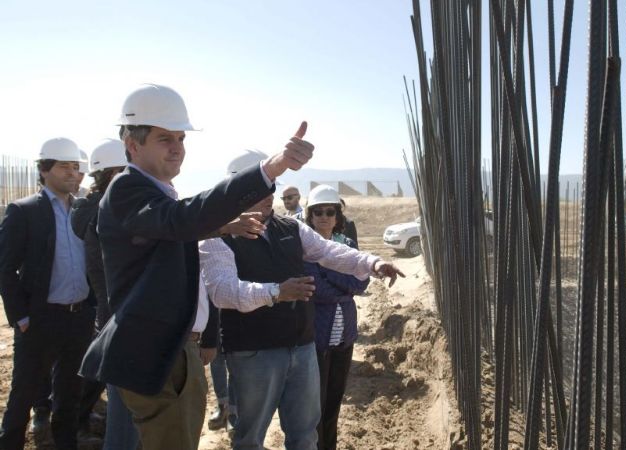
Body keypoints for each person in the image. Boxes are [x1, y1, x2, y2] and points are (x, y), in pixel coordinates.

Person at [78, 83, 314, 450]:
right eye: (164, 138)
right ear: (132, 143)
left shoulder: (153, 191)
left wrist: (222, 224)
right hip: (155, 350)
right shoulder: (127, 189)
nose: (177, 148)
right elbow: (178, 221)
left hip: (171, 349)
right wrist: (269, 169)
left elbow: (168, 230)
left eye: (180, 138)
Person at [199, 151, 404, 450]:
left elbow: (329, 252)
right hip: (253, 353)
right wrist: (276, 292)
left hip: (302, 347)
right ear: (236, 191)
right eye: (259, 190)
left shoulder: (290, 228)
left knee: (305, 435)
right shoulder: (217, 237)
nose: (269, 197)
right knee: (250, 438)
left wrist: (372, 263)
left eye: (271, 189)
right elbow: (224, 291)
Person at [0, 138, 96, 450]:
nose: (72, 173)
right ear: (44, 170)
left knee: (69, 396)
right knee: (24, 396)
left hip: (78, 318)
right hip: (40, 320)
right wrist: (22, 317)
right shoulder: (25, 211)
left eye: (75, 167)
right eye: (64, 166)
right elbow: (5, 268)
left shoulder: (82, 210)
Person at [70, 139, 141, 449]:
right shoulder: (107, 214)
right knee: (125, 417)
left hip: (111, 316)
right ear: (113, 173)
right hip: (120, 321)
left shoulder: (96, 210)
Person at [303, 185, 368, 450]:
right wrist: (344, 282)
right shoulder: (304, 247)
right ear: (310, 215)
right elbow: (315, 288)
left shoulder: (348, 245)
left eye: (330, 211)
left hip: (344, 335)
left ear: (337, 215)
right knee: (314, 406)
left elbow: (361, 284)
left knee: (334, 402)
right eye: (318, 211)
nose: (324, 216)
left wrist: (326, 271)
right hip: (317, 337)